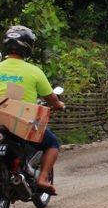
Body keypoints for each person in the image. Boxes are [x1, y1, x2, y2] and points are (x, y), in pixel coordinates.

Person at [0, 26, 65, 195]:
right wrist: (59, 105)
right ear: (28, 47)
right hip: (21, 124)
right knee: (52, 143)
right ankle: (43, 178)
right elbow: (52, 99)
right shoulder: (34, 72)